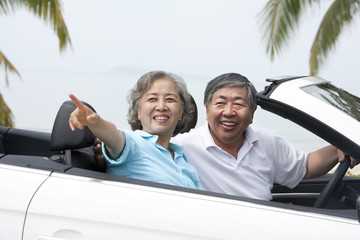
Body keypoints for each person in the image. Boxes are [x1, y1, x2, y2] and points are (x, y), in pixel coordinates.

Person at [94, 72, 357, 200]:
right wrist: (99, 137)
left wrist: (339, 147)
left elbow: (306, 166)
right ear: (207, 110)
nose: (229, 112)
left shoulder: (266, 142)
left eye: (239, 104)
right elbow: (135, 148)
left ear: (252, 114)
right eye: (220, 103)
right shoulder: (185, 146)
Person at [69, 71, 202, 190]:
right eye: (152, 99)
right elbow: (113, 136)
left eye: (170, 99)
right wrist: (96, 121)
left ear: (180, 113)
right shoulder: (134, 143)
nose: (161, 107)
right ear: (138, 111)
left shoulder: (183, 161)